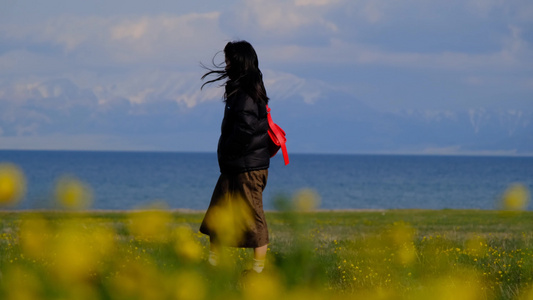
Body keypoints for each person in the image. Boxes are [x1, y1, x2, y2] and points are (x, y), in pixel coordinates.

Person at [199, 40, 270, 274]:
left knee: (254, 218)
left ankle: (258, 271)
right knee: (218, 213)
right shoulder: (245, 87)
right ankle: (214, 263)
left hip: (246, 167)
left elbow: (246, 128)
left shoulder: (246, 91)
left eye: (229, 60)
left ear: (238, 62)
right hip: (236, 166)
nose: (226, 65)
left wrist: (229, 149)